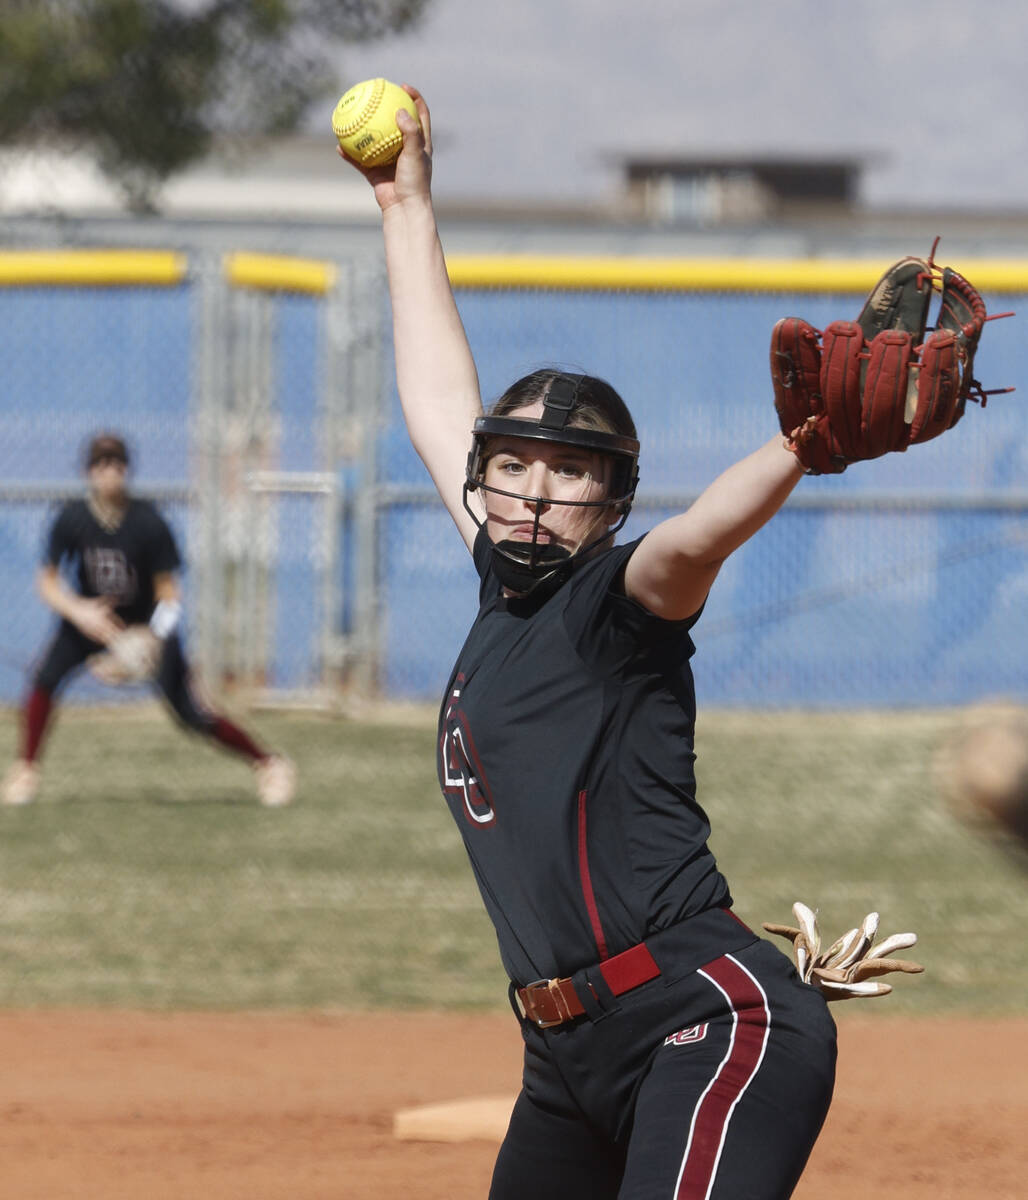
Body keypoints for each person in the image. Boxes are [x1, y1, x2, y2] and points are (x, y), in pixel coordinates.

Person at [342, 89, 855, 1200]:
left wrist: (802, 446)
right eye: (512, 466)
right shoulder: (497, 585)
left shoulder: (617, 602)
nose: (533, 494)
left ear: (608, 501)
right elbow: (438, 404)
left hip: (706, 1019)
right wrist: (404, 208)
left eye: (567, 473)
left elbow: (696, 540)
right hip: (562, 1059)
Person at [1, 432, 296, 809]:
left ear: (127, 469)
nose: (109, 472)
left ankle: (268, 763)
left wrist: (150, 641)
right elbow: (47, 582)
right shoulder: (72, 518)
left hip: (146, 624)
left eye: (116, 463)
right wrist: (79, 611)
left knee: (190, 713)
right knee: (44, 679)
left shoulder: (147, 522)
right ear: (87, 470)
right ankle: (26, 770)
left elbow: (169, 594)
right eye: (100, 463)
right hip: (93, 618)